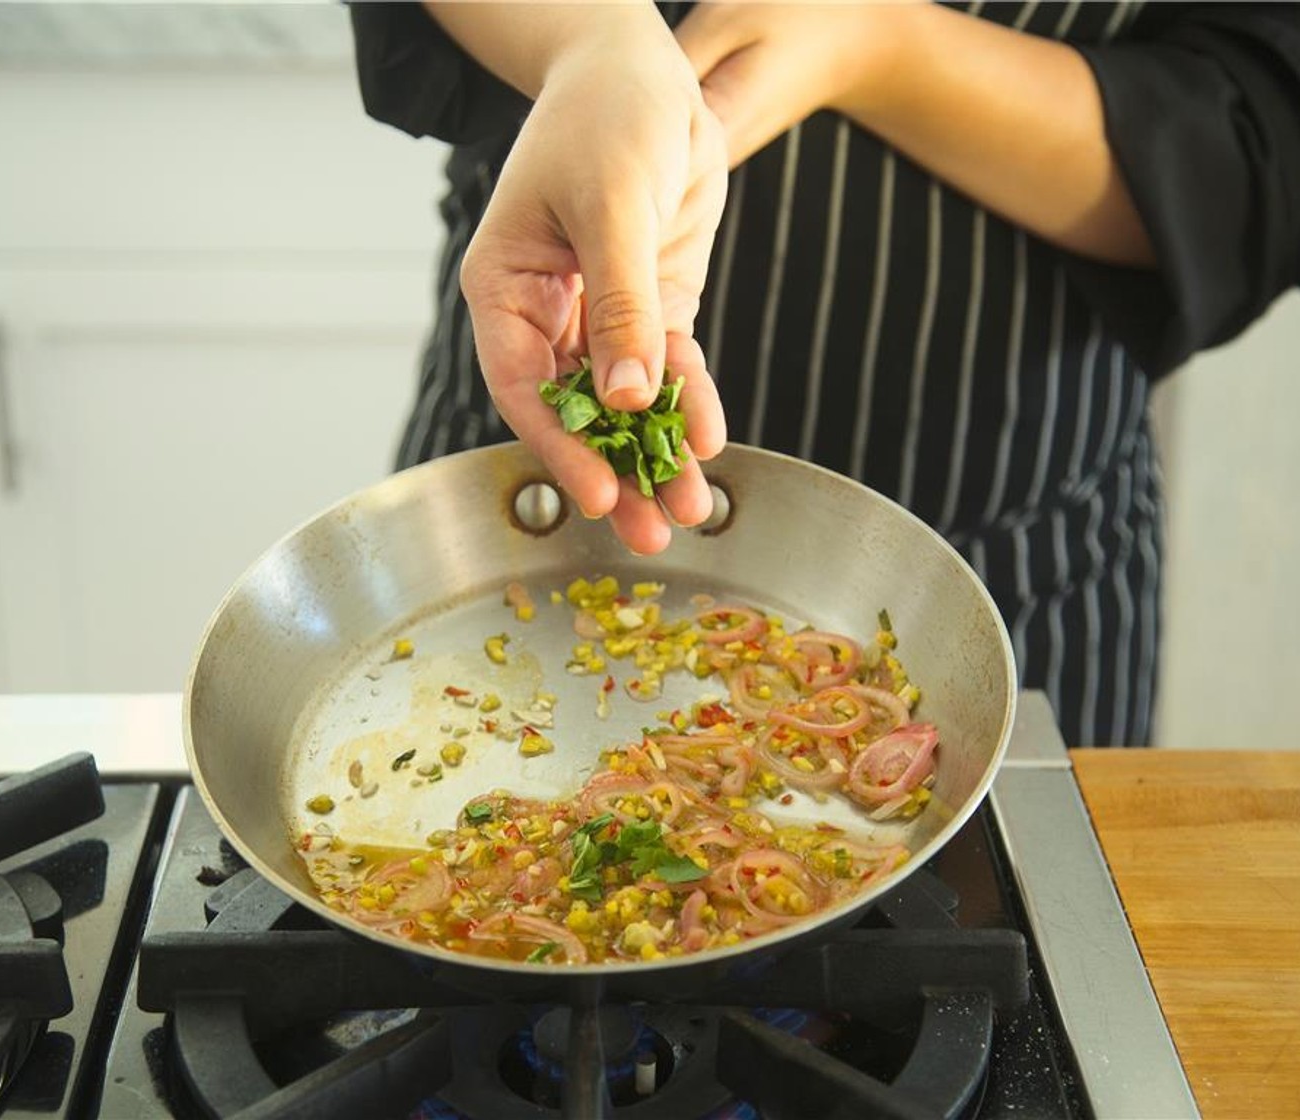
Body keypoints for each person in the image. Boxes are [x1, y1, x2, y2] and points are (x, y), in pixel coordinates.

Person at [348, 2, 1300, 747]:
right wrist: (591, 40)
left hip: (1014, 573)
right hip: (523, 485)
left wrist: (875, 43)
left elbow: (1257, 141)